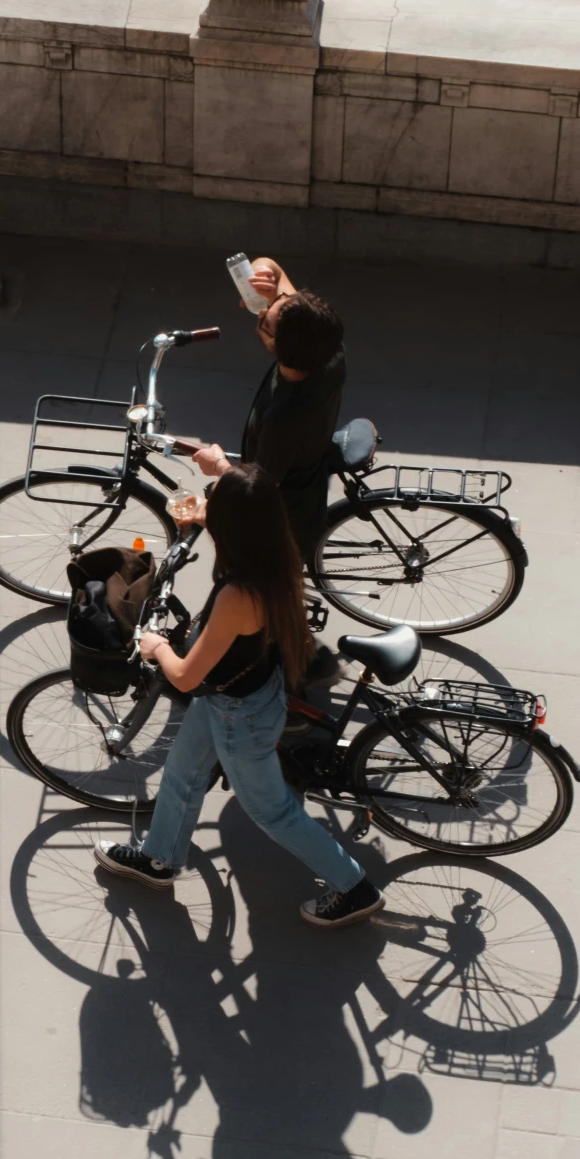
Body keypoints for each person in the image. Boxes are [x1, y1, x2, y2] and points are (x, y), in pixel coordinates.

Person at [94, 463, 382, 930]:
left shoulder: (238, 596)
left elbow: (186, 678)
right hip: (241, 693)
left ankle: (355, 888)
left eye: (212, 502)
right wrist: (217, 487)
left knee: (272, 811)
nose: (203, 505)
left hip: (238, 713)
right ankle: (158, 859)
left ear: (234, 526)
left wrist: (157, 646)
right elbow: (250, 507)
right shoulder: (275, 551)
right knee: (183, 775)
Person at [191, 256, 346, 567]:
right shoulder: (328, 350)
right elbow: (274, 269)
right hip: (308, 472)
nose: (263, 308)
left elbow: (258, 487)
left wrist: (219, 465)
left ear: (272, 342)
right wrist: (264, 275)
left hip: (283, 518)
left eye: (266, 316)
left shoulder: (284, 419)